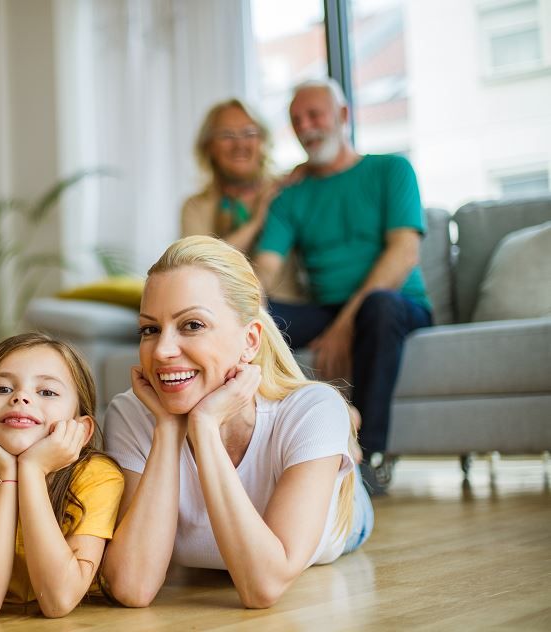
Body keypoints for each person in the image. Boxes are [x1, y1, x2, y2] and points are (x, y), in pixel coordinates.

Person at [100, 235, 372, 609]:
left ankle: (345, 439)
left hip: (346, 518)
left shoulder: (310, 410)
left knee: (330, 414)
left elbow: (262, 587)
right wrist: (167, 428)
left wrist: (206, 427)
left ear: (250, 341)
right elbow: (133, 586)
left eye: (192, 325)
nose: (162, 351)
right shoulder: (132, 413)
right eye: (150, 329)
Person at [254, 78, 433, 490]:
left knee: (379, 307)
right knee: (253, 317)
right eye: (296, 120)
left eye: (315, 115)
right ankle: (259, 456)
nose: (306, 127)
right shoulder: (291, 196)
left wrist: (343, 325)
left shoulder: (391, 169)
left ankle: (370, 461)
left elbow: (404, 253)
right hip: (328, 309)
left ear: (344, 116)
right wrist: (252, 297)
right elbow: (265, 265)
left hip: (397, 305)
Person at [0, 333, 124, 618]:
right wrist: (6, 473)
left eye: (47, 392)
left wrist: (33, 470)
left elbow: (58, 601)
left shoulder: (98, 476)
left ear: (81, 430)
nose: (20, 397)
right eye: (1, 388)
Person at [180, 98, 304, 302]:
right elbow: (197, 269)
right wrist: (255, 223)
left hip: (285, 307)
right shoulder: (195, 207)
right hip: (218, 306)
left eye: (249, 133)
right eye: (227, 135)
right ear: (208, 146)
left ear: (263, 141)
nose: (240, 145)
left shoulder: (284, 190)